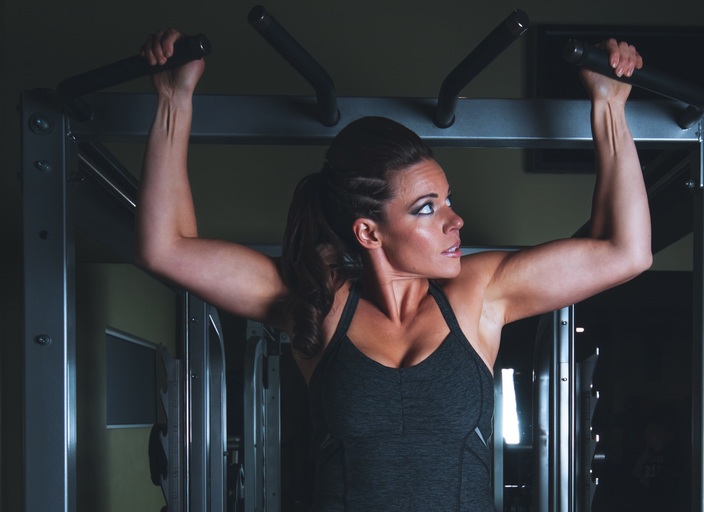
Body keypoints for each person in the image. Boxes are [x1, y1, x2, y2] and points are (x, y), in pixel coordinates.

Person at [137, 28, 651, 511]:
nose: (456, 220)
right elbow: (168, 248)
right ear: (369, 232)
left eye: (449, 200)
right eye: (428, 208)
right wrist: (173, 99)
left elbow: (625, 252)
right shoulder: (318, 301)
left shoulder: (480, 294)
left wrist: (609, 107)